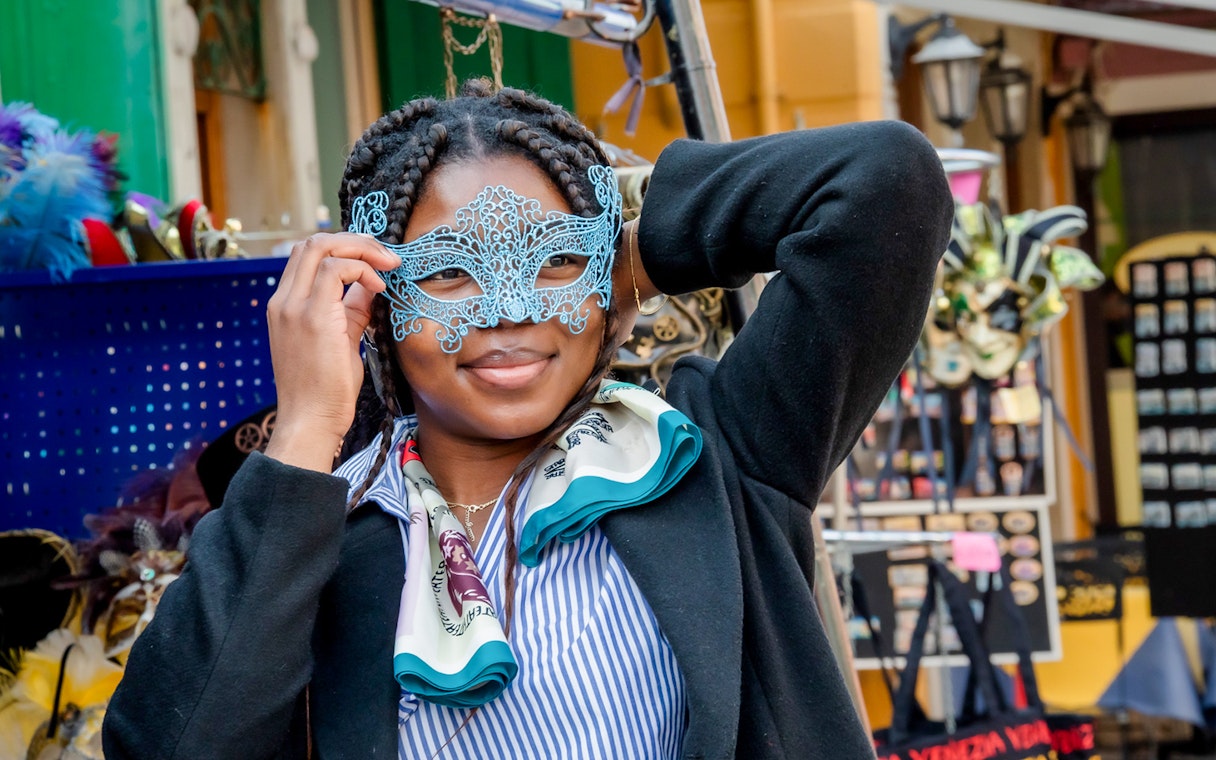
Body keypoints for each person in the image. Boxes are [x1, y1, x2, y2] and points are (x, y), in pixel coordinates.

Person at [102, 81, 953, 759]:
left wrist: (626, 260)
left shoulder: (708, 460)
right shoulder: (318, 533)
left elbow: (884, 183)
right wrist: (305, 432)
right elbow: (172, 743)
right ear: (377, 296)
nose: (509, 311)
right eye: (450, 274)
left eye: (555, 260)